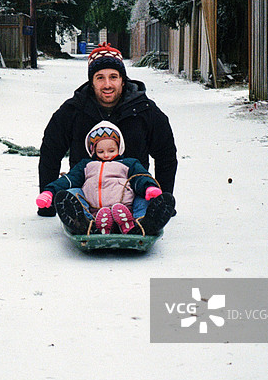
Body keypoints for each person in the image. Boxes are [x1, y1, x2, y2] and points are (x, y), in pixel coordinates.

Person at [38, 42, 177, 228]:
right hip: (87, 192)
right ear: (91, 81)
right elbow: (50, 151)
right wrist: (47, 205)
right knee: (74, 195)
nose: (107, 84)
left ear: (123, 79)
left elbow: (166, 154)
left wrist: (163, 196)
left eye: (113, 77)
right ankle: (81, 220)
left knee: (142, 202)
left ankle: (145, 221)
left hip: (133, 192)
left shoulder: (145, 110)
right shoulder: (73, 111)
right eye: (100, 78)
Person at [36, 121, 174, 235]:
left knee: (142, 196)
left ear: (119, 148)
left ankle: (142, 223)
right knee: (71, 192)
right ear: (93, 150)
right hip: (95, 212)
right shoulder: (87, 165)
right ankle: (85, 223)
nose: (106, 155)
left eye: (111, 150)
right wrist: (50, 192)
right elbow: (68, 180)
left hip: (127, 210)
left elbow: (141, 178)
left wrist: (150, 187)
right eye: (100, 151)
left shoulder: (128, 163)